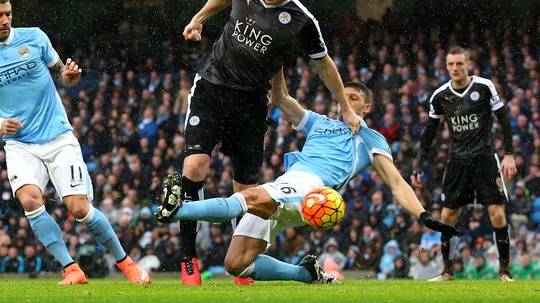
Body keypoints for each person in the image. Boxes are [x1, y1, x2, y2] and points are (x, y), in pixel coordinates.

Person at [156, 69, 459, 284]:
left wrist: (423, 215)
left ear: (365, 107)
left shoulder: (371, 138)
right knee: (236, 264)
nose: (345, 100)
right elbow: (281, 97)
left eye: (352, 98)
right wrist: (277, 62)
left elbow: (396, 182)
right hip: (290, 185)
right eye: (343, 95)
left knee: (248, 197)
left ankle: (178, 210)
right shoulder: (319, 122)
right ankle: (306, 274)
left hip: (314, 191)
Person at [176, 0, 360, 285]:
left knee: (246, 187)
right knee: (194, 167)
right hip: (212, 86)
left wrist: (345, 107)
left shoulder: (302, 19)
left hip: (251, 102)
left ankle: (242, 265)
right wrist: (199, 18)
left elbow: (323, 63)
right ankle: (188, 259)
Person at [0, 0, 150, 285]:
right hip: (20, 143)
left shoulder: (35, 37)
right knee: (29, 200)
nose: (5, 20)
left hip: (57, 135)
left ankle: (126, 263)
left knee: (79, 209)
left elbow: (62, 71)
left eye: (9, 13)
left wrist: (70, 77)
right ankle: (71, 268)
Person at [412, 46, 517, 282]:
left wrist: (509, 154)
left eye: (459, 63)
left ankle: (504, 272)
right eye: (451, 64)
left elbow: (504, 120)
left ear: (467, 64)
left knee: (497, 214)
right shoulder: (440, 96)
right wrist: (418, 163)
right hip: (457, 161)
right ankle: (447, 272)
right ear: (446, 66)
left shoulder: (484, 87)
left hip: (485, 159)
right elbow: (429, 133)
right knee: (448, 215)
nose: (455, 68)